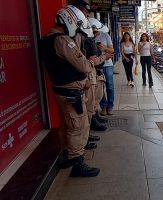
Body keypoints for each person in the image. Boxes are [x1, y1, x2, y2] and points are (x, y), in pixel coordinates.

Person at [39, 5, 100, 177]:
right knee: (76, 127)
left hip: (59, 90)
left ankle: (66, 156)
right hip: (71, 92)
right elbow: (84, 65)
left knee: (66, 125)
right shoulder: (64, 41)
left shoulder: (45, 40)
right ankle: (77, 163)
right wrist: (92, 61)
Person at [73, 0, 109, 148]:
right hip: (84, 77)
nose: (87, 15)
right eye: (85, 12)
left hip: (90, 74)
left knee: (93, 103)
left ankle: (85, 137)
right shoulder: (74, 37)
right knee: (85, 111)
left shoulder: (84, 37)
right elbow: (86, 60)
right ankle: (82, 143)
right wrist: (103, 58)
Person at [94, 24, 115, 116]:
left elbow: (112, 50)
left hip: (107, 65)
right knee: (100, 87)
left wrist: (104, 48)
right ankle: (104, 107)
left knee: (109, 86)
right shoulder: (89, 37)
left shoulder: (105, 35)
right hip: (97, 65)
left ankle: (110, 107)